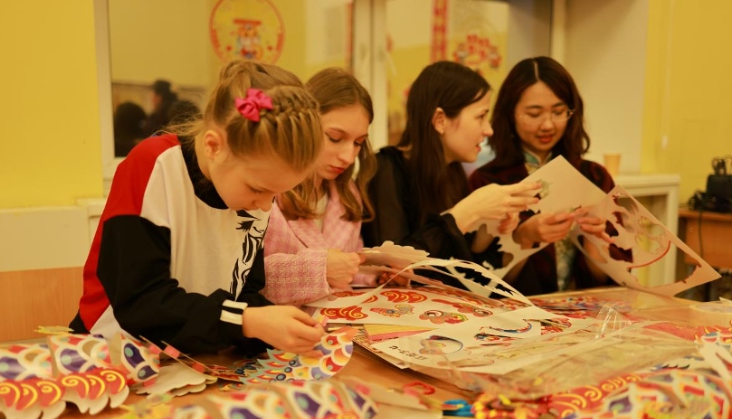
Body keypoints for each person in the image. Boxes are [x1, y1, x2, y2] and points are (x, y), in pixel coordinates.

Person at [70, 61, 327, 357]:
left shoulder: (251, 187)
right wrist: (247, 321)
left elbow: (243, 292)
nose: (266, 205)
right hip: (110, 353)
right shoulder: (154, 166)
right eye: (258, 190)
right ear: (213, 146)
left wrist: (276, 327)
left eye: (276, 194)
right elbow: (142, 303)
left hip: (187, 358)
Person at [361, 60, 540, 274]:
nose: (488, 130)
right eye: (481, 116)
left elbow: (465, 265)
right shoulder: (385, 168)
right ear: (440, 120)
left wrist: (490, 226)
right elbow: (393, 266)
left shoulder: (453, 171)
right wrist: (467, 211)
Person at [469, 56, 614, 295]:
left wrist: (594, 243)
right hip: (517, 313)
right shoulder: (487, 181)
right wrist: (523, 238)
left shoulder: (595, 176)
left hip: (586, 310)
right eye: (534, 114)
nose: (548, 125)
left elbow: (613, 284)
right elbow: (481, 284)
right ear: (510, 114)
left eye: (558, 112)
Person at [262, 67, 380, 305]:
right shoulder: (265, 193)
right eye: (335, 138)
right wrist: (321, 268)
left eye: (358, 143)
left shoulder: (347, 194)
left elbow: (346, 268)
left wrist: (376, 274)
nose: (348, 157)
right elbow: (246, 278)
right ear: (304, 124)